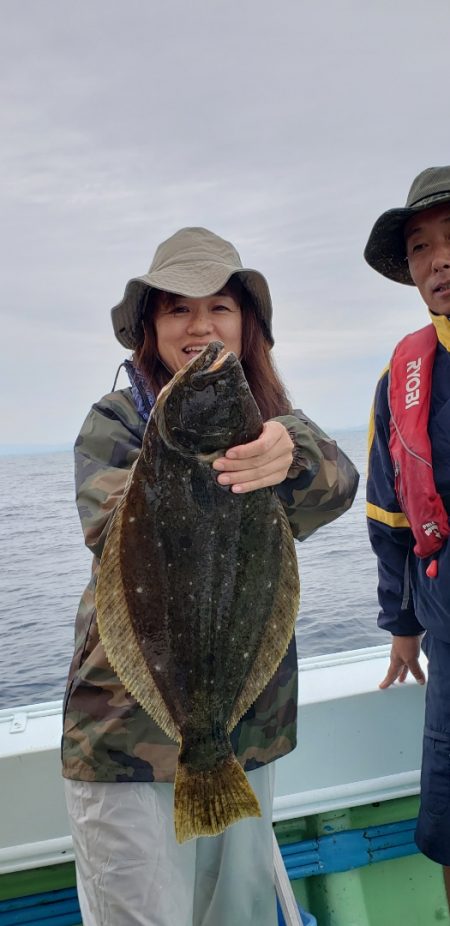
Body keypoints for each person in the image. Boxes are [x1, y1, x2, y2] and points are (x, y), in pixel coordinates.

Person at [62, 226, 359, 926]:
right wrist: (180, 464)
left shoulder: (278, 432)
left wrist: (295, 452)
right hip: (124, 748)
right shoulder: (115, 424)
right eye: (177, 309)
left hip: (238, 739)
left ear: (247, 325)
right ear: (150, 328)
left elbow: (340, 488)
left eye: (219, 307)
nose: (200, 327)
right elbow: (109, 525)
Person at [365, 166, 450, 907]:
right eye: (421, 248)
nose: (438, 260)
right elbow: (390, 516)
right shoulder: (402, 375)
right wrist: (402, 628)